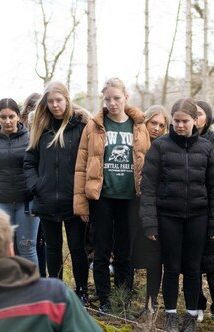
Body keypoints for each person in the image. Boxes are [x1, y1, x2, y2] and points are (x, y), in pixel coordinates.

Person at [140, 98, 214, 332]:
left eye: (185, 121)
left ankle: (190, 319)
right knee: (171, 268)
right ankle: (170, 315)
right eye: (176, 121)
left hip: (198, 217)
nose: (180, 125)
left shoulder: (207, 149)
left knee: (193, 269)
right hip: (168, 217)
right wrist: (149, 222)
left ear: (195, 121)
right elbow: (148, 187)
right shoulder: (160, 147)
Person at [74, 78, 151, 314]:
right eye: (107, 99)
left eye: (117, 98)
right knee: (101, 251)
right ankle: (105, 300)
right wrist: (82, 204)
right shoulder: (94, 126)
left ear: (126, 97)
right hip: (102, 198)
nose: (112, 103)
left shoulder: (139, 126)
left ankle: (122, 300)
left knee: (125, 254)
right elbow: (81, 165)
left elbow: (148, 164)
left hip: (130, 199)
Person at [24, 82, 91, 301]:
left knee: (77, 248)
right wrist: (37, 186)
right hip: (47, 200)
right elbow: (29, 162)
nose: (55, 105)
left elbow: (89, 162)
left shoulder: (81, 126)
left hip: (74, 200)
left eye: (59, 100)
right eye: (50, 101)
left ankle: (81, 292)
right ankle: (56, 291)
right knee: (53, 248)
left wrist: (83, 194)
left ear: (67, 100)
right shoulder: (41, 127)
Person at [0, 99, 38, 266]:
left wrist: (39, 196)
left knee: (27, 247)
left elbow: (39, 169)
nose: (8, 121)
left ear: (18, 116)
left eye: (11, 116)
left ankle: (31, 282)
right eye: (3, 117)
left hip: (27, 203)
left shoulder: (30, 138)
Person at [130, 106, 169, 313]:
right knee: (129, 253)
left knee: (154, 257)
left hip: (156, 208)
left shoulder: (166, 147)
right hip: (132, 204)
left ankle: (151, 302)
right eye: (153, 123)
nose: (156, 128)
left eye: (161, 125)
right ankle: (126, 299)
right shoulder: (134, 141)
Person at [194, 100, 214, 324]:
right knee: (193, 261)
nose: (195, 117)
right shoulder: (182, 142)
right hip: (191, 210)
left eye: (199, 114)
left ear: (207, 117)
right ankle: (197, 303)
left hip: (213, 209)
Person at [20, 92, 49, 278]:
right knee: (27, 241)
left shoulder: (45, 131)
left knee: (41, 240)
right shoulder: (21, 133)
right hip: (24, 195)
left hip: (42, 193)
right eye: (32, 107)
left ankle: (42, 277)